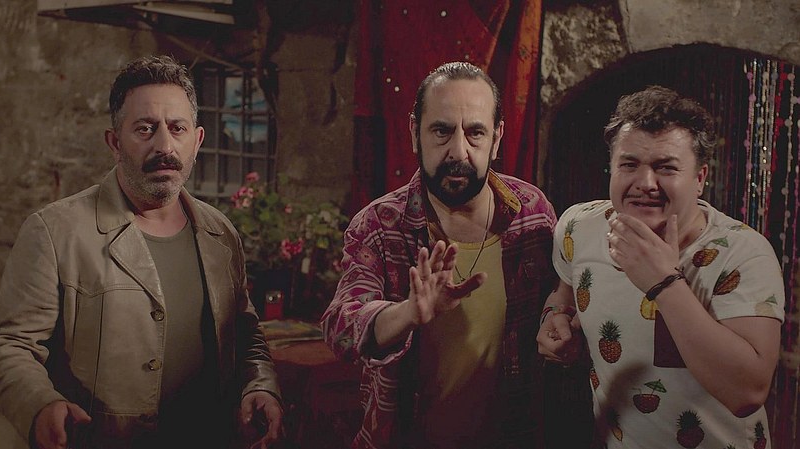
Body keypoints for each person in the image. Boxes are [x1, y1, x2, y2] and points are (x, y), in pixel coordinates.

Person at [0, 55, 283, 449]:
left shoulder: (220, 233)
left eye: (177, 128)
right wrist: (41, 405)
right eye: (145, 129)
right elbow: (9, 345)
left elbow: (245, 335)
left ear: (197, 140)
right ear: (114, 142)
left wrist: (260, 386)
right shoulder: (55, 231)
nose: (164, 145)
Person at [321, 61, 557, 449]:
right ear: (415, 133)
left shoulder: (532, 212)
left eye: (475, 132)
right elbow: (340, 328)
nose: (458, 151)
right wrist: (407, 314)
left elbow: (558, 306)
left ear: (497, 138)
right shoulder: (379, 224)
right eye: (442, 131)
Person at [537, 86, 785, 448]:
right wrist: (555, 316)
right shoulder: (578, 227)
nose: (645, 183)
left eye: (665, 167)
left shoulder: (743, 253)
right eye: (629, 165)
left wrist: (664, 283)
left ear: (699, 179)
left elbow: (747, 392)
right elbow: (564, 294)